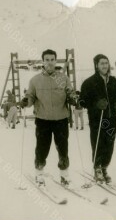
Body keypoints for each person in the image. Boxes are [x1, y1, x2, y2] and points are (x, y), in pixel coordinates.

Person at [20, 49, 75, 186]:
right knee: (42, 148)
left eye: (52, 59)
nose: (49, 63)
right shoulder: (35, 80)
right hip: (43, 120)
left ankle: (64, 175)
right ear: (43, 61)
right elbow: (31, 97)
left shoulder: (64, 78)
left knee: (63, 148)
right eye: (47, 60)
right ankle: (39, 174)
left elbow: (70, 93)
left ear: (55, 61)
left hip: (61, 119)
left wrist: (74, 99)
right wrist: (26, 101)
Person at [80, 54, 116, 183]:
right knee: (98, 143)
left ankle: (104, 167)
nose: (105, 65)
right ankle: (97, 168)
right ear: (96, 65)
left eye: (106, 63)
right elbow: (82, 101)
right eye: (102, 63)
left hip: (111, 118)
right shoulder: (89, 82)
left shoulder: (114, 81)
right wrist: (95, 104)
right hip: (97, 119)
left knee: (109, 144)